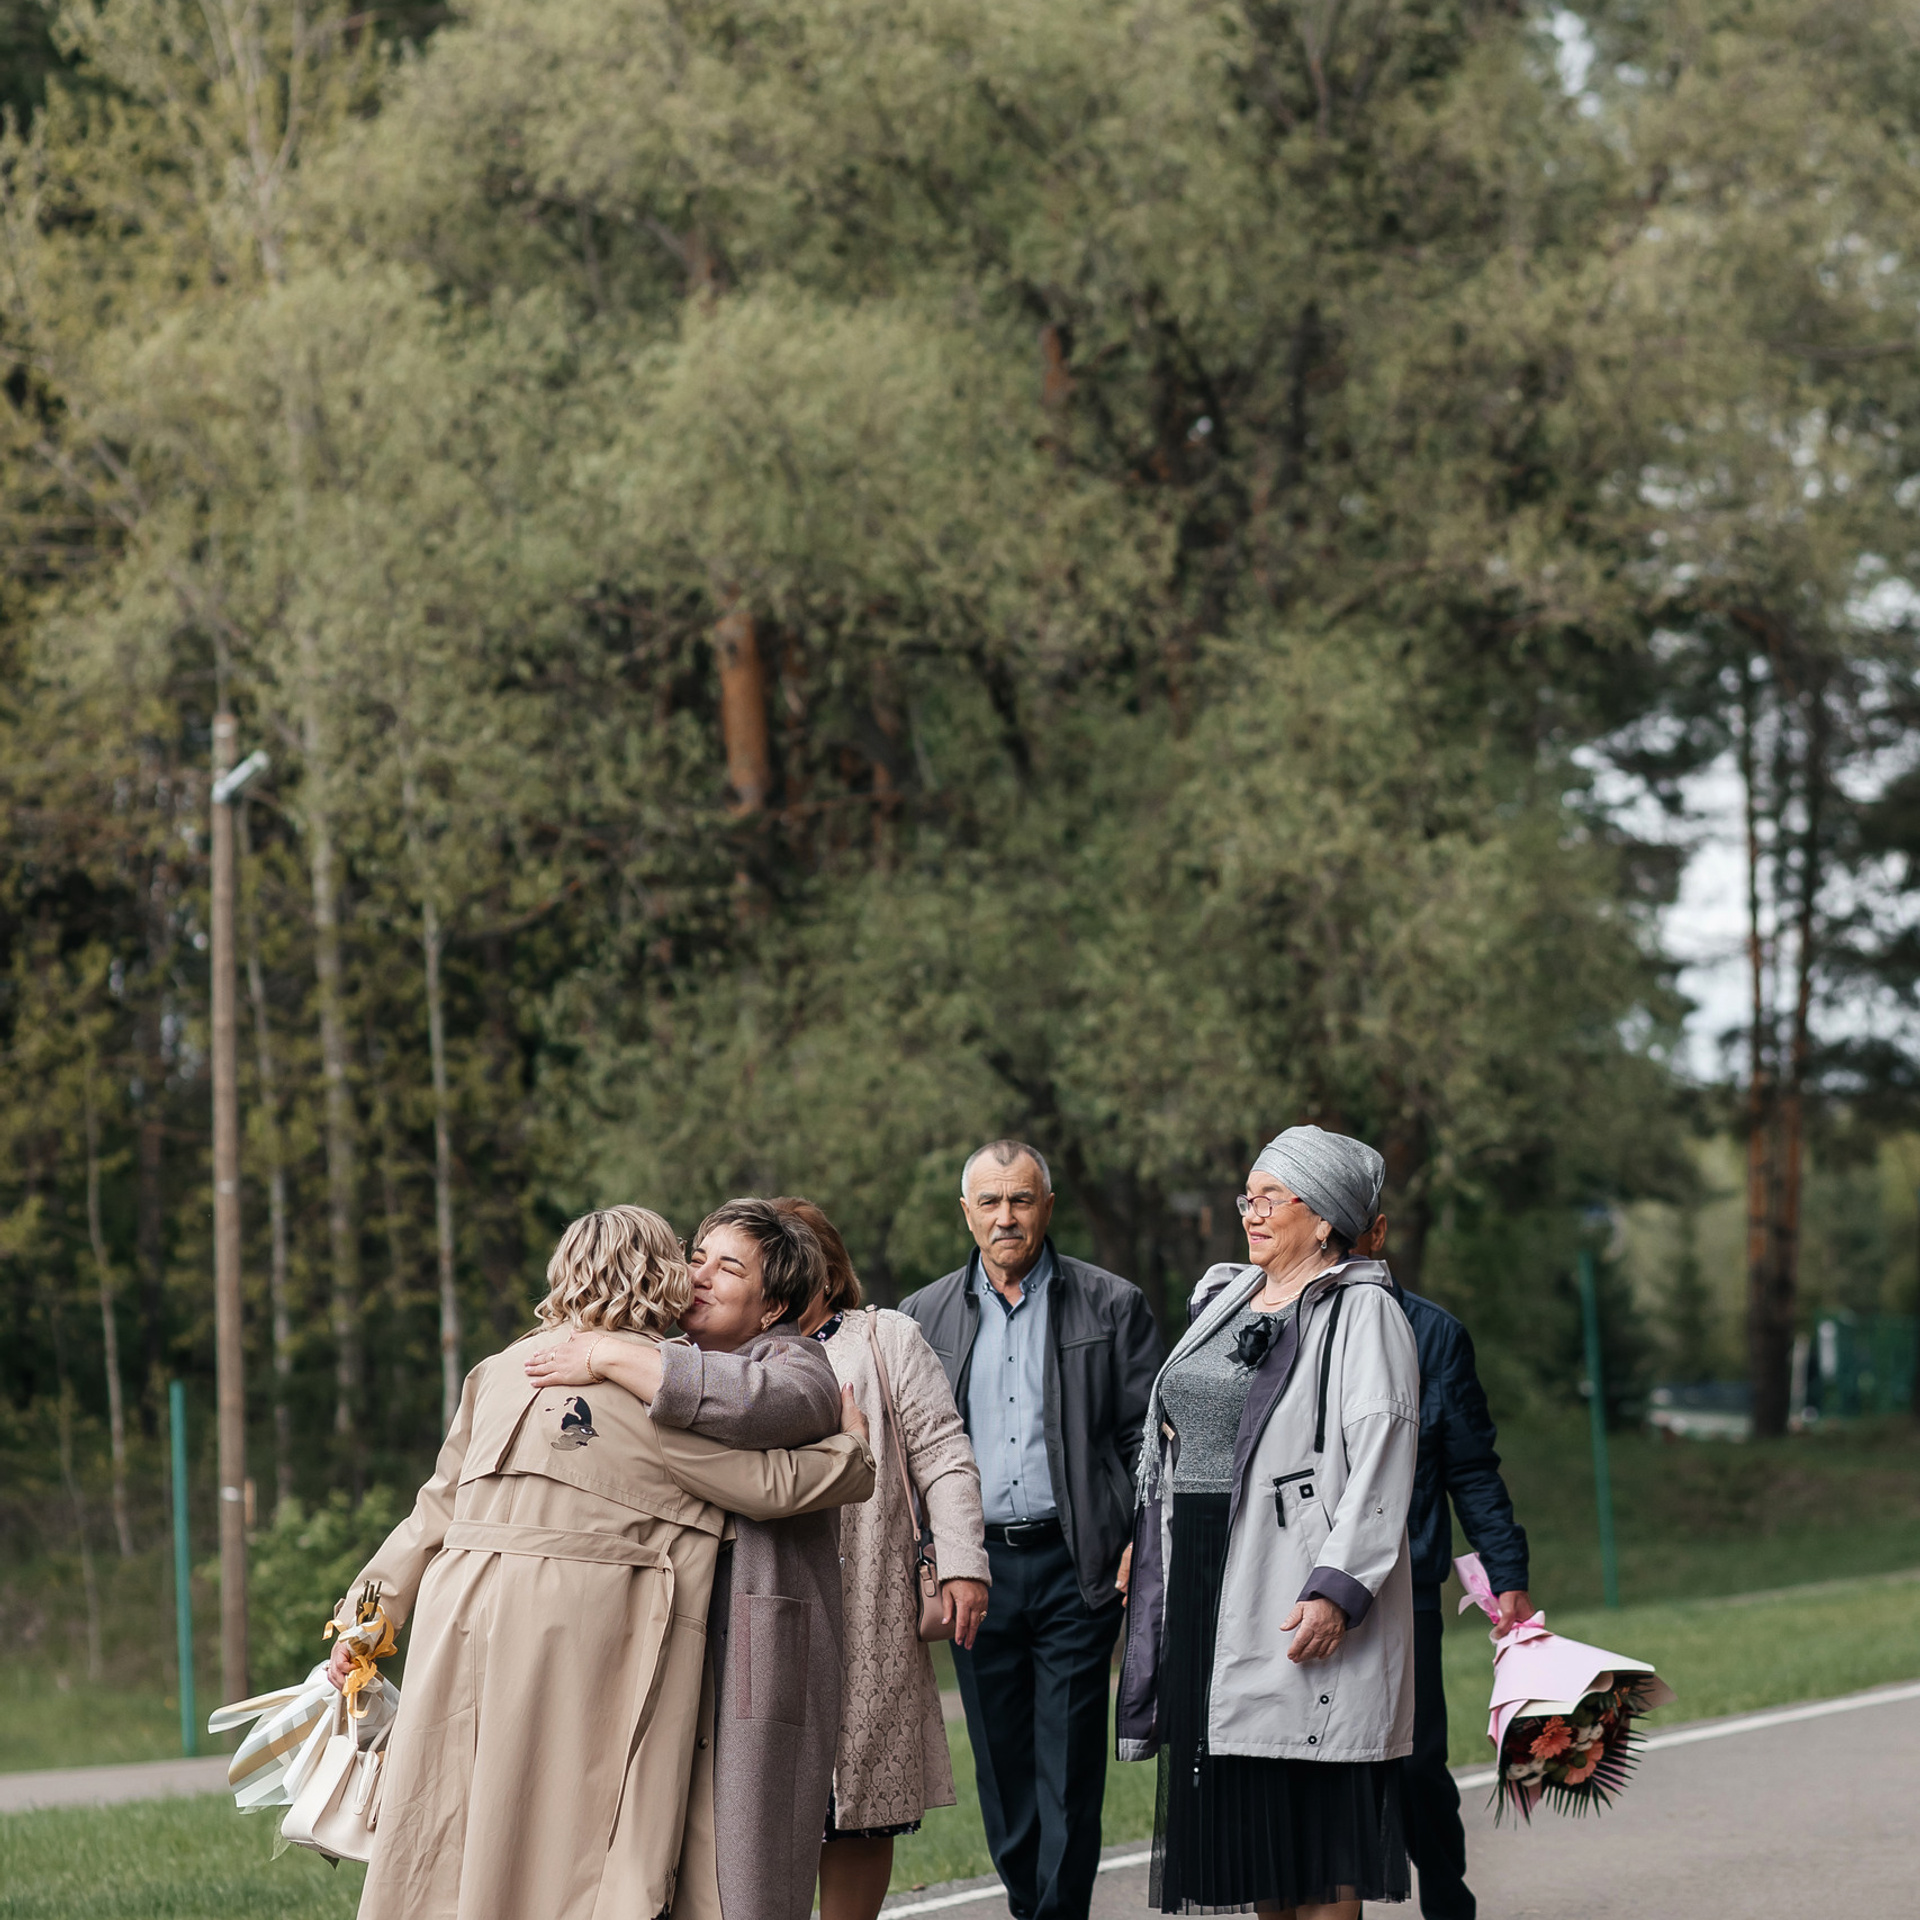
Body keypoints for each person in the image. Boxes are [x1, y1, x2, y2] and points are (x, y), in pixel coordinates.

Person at [325, 1205, 875, 1920]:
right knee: (563, 1848)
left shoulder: (496, 1373)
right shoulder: (653, 1399)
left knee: (453, 1833)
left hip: (454, 1633)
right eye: (687, 1257)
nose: (696, 1272)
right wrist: (852, 1457)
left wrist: (362, 1620)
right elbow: (764, 1487)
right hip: (583, 1642)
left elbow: (431, 1511)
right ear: (658, 1278)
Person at [1115, 1125, 1419, 1920]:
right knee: (1251, 1842)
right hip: (1208, 1568)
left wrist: (1337, 1588)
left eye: (1270, 1197)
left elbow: (1383, 1457)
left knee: (1314, 1839)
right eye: (1247, 1196)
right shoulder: (1224, 1300)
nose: (1250, 1212)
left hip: (1292, 1576)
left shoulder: (1363, 1312)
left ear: (1324, 1218)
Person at [527, 1198, 859, 1920]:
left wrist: (609, 1354)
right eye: (697, 1254)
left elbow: (748, 1405)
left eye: (728, 1266)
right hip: (656, 1648)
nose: (699, 1275)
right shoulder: (666, 1357)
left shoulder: (800, 1368)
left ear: (773, 1306)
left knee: (747, 1881)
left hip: (755, 1659)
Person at [900, 1140, 1164, 1920]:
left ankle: (1057, 1914)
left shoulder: (1113, 1304)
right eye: (990, 1202)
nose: (1006, 1216)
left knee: (1071, 1764)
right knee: (1003, 1765)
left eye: (1021, 1200)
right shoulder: (924, 1315)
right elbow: (913, 1451)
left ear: (1048, 1207)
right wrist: (929, 1556)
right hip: (974, 1571)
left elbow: (1147, 1440)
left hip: (1076, 1565)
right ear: (967, 1214)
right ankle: (1029, 1904)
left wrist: (1136, 1545)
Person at [765, 1197, 991, 1920]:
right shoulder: (726, 1350)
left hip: (870, 1595)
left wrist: (962, 1562)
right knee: (766, 1790)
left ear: (829, 1272)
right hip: (764, 1593)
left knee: (860, 1791)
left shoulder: (884, 1336)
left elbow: (943, 1454)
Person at [1347, 1214, 1531, 1920]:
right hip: (1299, 1588)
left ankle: (1447, 1895)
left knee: (1417, 1762)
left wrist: (1505, 1572)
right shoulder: (1284, 1326)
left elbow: (1472, 1469)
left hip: (1405, 1583)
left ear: (1377, 1233)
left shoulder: (1433, 1333)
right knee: (1331, 1774)